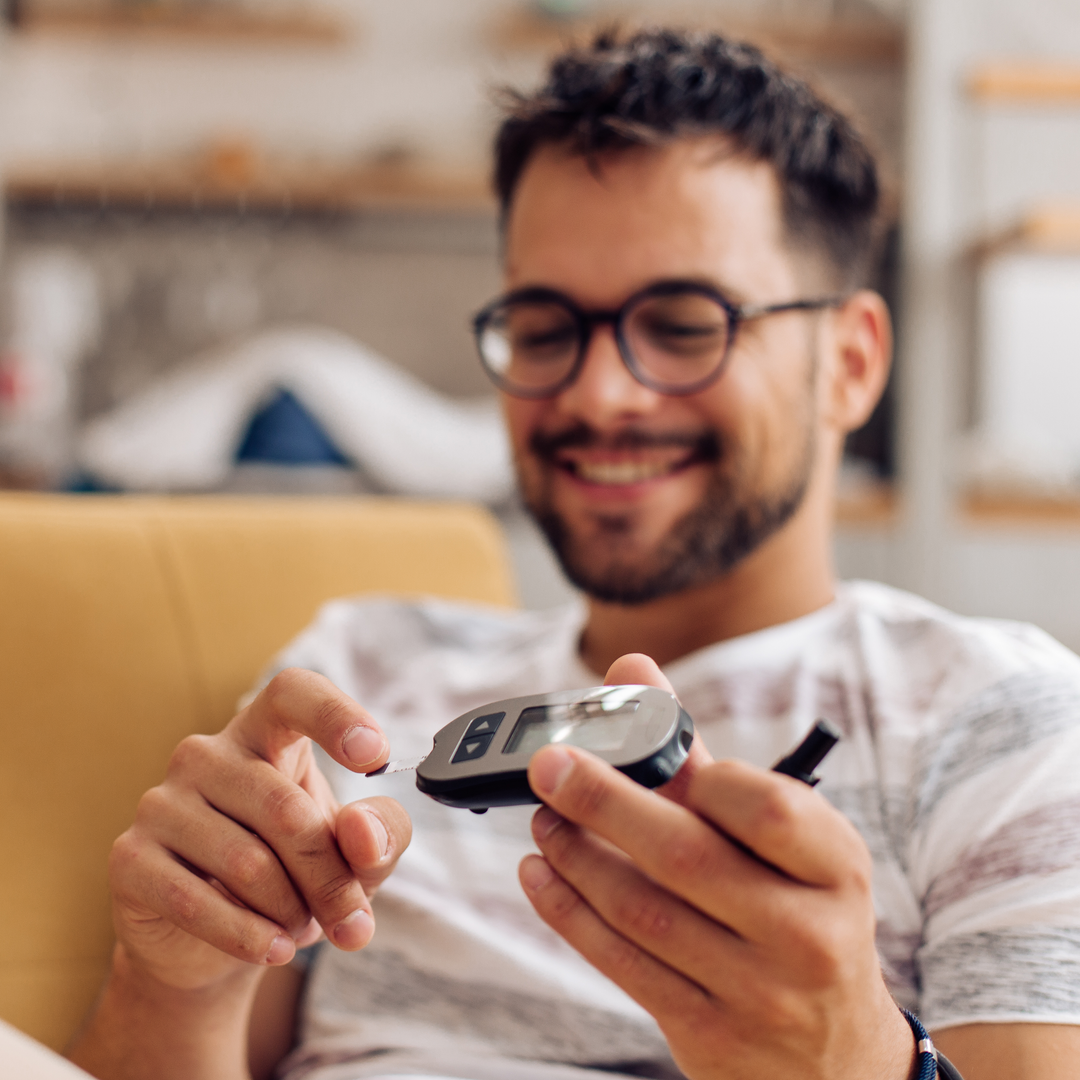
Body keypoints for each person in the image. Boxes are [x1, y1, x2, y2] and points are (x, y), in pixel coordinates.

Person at [68, 29, 1080, 1080]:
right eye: (546, 328)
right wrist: (173, 981)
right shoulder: (359, 677)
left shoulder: (999, 721)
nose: (599, 395)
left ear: (852, 363)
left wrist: (861, 1060)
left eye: (686, 324)